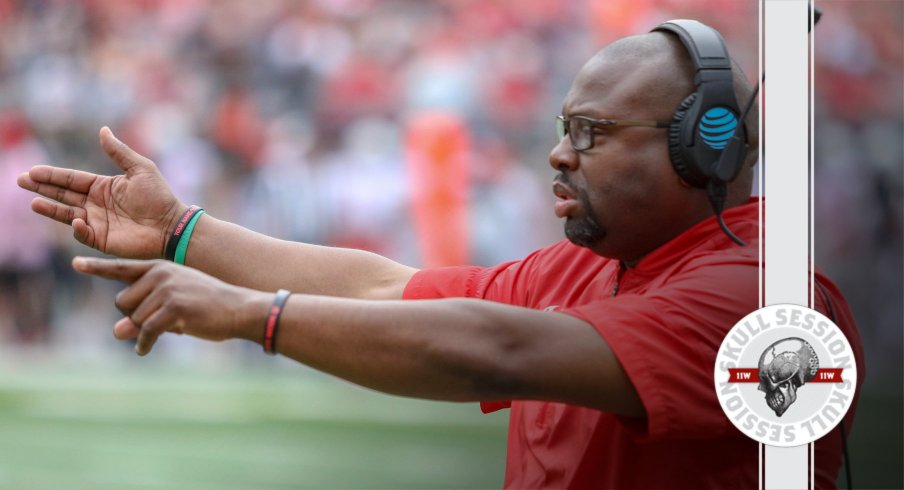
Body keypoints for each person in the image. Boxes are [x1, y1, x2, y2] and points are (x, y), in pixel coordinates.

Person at [17, 22, 863, 489]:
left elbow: (494, 348)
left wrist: (251, 317)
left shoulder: (769, 300)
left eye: (592, 134)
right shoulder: (593, 266)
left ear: (702, 149)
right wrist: (183, 232)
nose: (560, 156)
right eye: (563, 129)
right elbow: (391, 287)